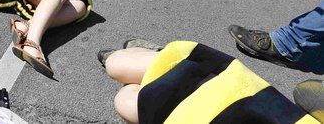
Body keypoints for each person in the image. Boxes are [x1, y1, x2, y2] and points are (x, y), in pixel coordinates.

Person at [99, 40, 319, 123]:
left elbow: (308, 92)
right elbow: (309, 93)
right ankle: (156, 58)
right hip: (229, 93)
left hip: (185, 116)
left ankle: (154, 59)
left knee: (123, 96)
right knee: (116, 67)